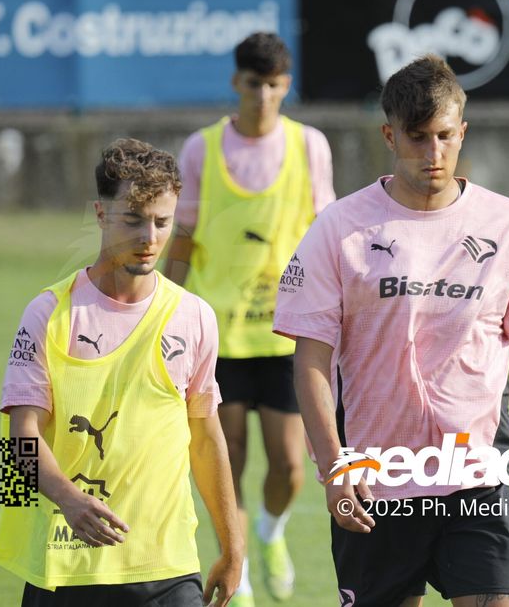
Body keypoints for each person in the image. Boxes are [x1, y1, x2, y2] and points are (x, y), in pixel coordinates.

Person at [273, 54, 509, 607]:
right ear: (389, 135)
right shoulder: (339, 229)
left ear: (462, 131)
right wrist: (333, 467)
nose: (433, 153)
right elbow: (312, 363)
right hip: (377, 482)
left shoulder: (507, 224)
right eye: (417, 138)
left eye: (445, 136)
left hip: (479, 477)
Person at [0, 138, 243, 606]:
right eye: (133, 220)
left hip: (167, 569)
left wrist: (233, 547)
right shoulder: (48, 313)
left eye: (162, 222)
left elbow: (206, 438)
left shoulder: (194, 316)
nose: (149, 238)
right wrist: (68, 499)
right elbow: (19, 437)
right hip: (67, 568)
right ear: (101, 214)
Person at [164, 31, 335, 603]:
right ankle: (234, 569)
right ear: (236, 83)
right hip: (218, 338)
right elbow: (182, 239)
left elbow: (326, 238)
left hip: (287, 336)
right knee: (226, 457)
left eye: (274, 85)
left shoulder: (310, 146)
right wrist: (164, 310)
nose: (263, 95)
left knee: (290, 466)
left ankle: (270, 532)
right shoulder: (201, 149)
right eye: (254, 83)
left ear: (286, 87)